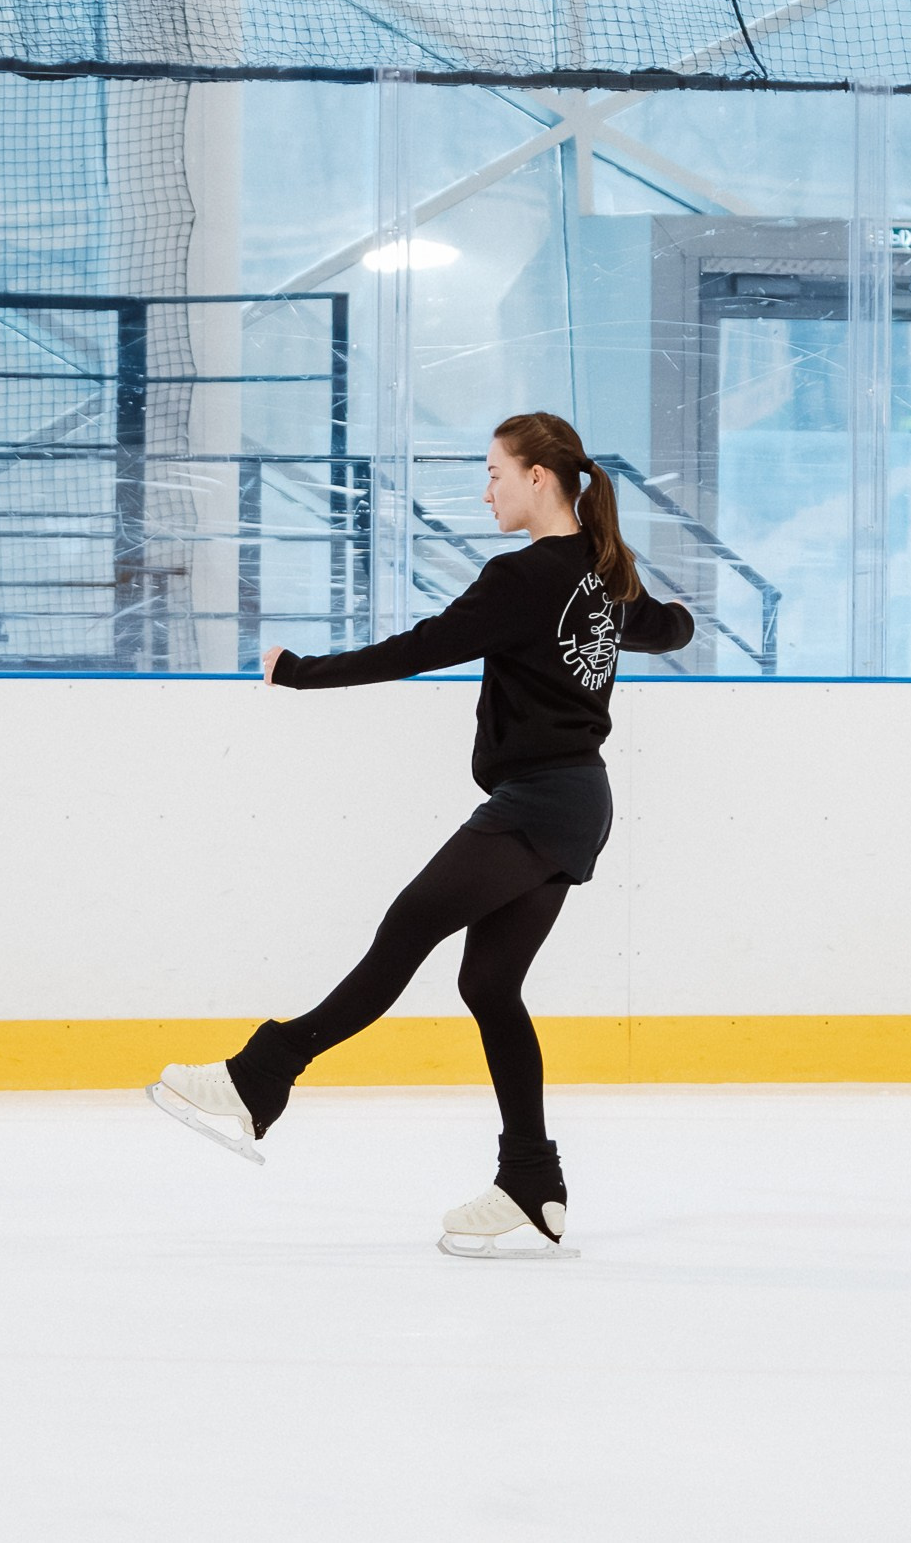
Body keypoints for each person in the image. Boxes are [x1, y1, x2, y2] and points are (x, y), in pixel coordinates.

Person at [151, 411, 694, 1258]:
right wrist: (679, 618)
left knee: (405, 930)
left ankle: (257, 1078)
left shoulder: (522, 576)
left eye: (495, 473)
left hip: (539, 804)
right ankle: (533, 1181)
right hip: (574, 801)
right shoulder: (602, 570)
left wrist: (301, 674)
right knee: (489, 983)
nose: (487, 490)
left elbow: (425, 645)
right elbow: (665, 625)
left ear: (539, 478)